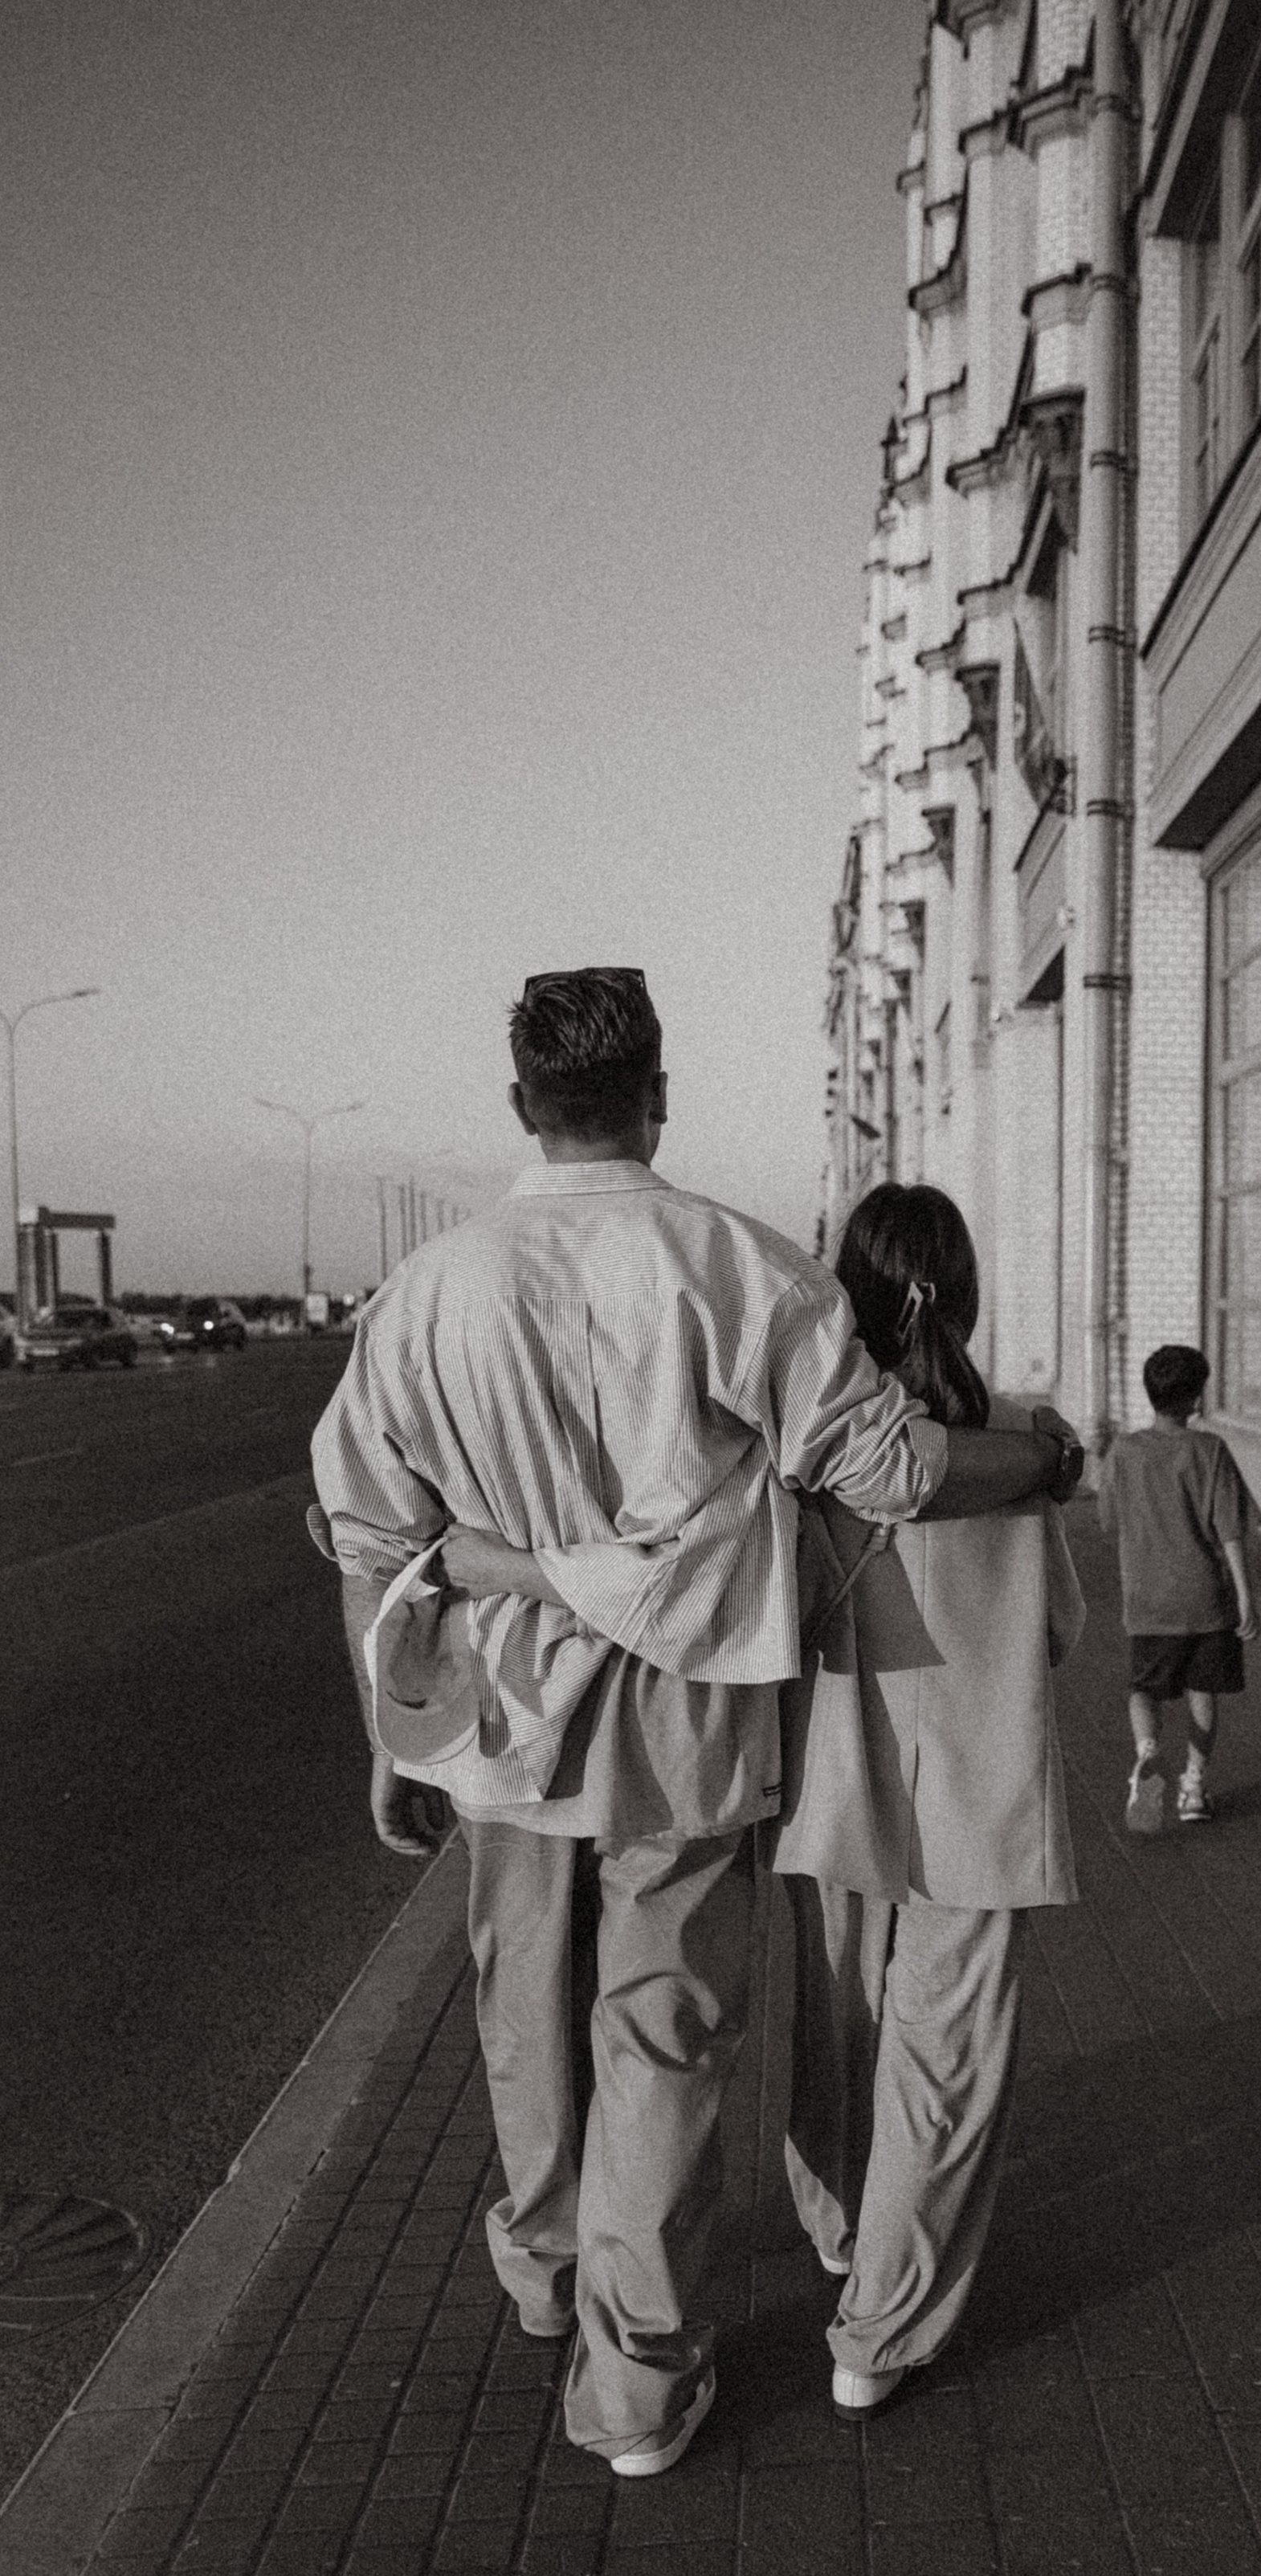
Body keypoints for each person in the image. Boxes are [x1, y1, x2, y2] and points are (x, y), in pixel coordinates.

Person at [311, 970, 1078, 2481]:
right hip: (691, 1723)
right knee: (662, 2037)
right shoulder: (739, 1267)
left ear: (521, 1107)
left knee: (521, 2009)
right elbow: (893, 1473)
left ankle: (543, 2278)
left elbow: (369, 1544)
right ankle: (639, 2387)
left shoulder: (429, 1290)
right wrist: (1042, 1462)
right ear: (656, 1096)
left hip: (506, 1723)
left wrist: (385, 1736)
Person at [773, 1182, 1084, 2423]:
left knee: (839, 2027)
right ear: (960, 1288)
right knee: (944, 2062)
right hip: (983, 1788)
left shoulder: (816, 1452)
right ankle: (884, 2330)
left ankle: (841, 2230)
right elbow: (1058, 1628)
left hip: (835, 1785)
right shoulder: (1016, 1443)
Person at [1097, 1342, 1261, 1835]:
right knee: (1203, 1692)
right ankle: (1193, 1786)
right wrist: (1247, 1599)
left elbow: (1108, 1520)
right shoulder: (1210, 1450)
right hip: (1207, 1600)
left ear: (1150, 1394)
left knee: (1143, 1690)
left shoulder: (1123, 1452)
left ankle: (1148, 1750)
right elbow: (1231, 1530)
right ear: (1194, 1398)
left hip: (1148, 1600)